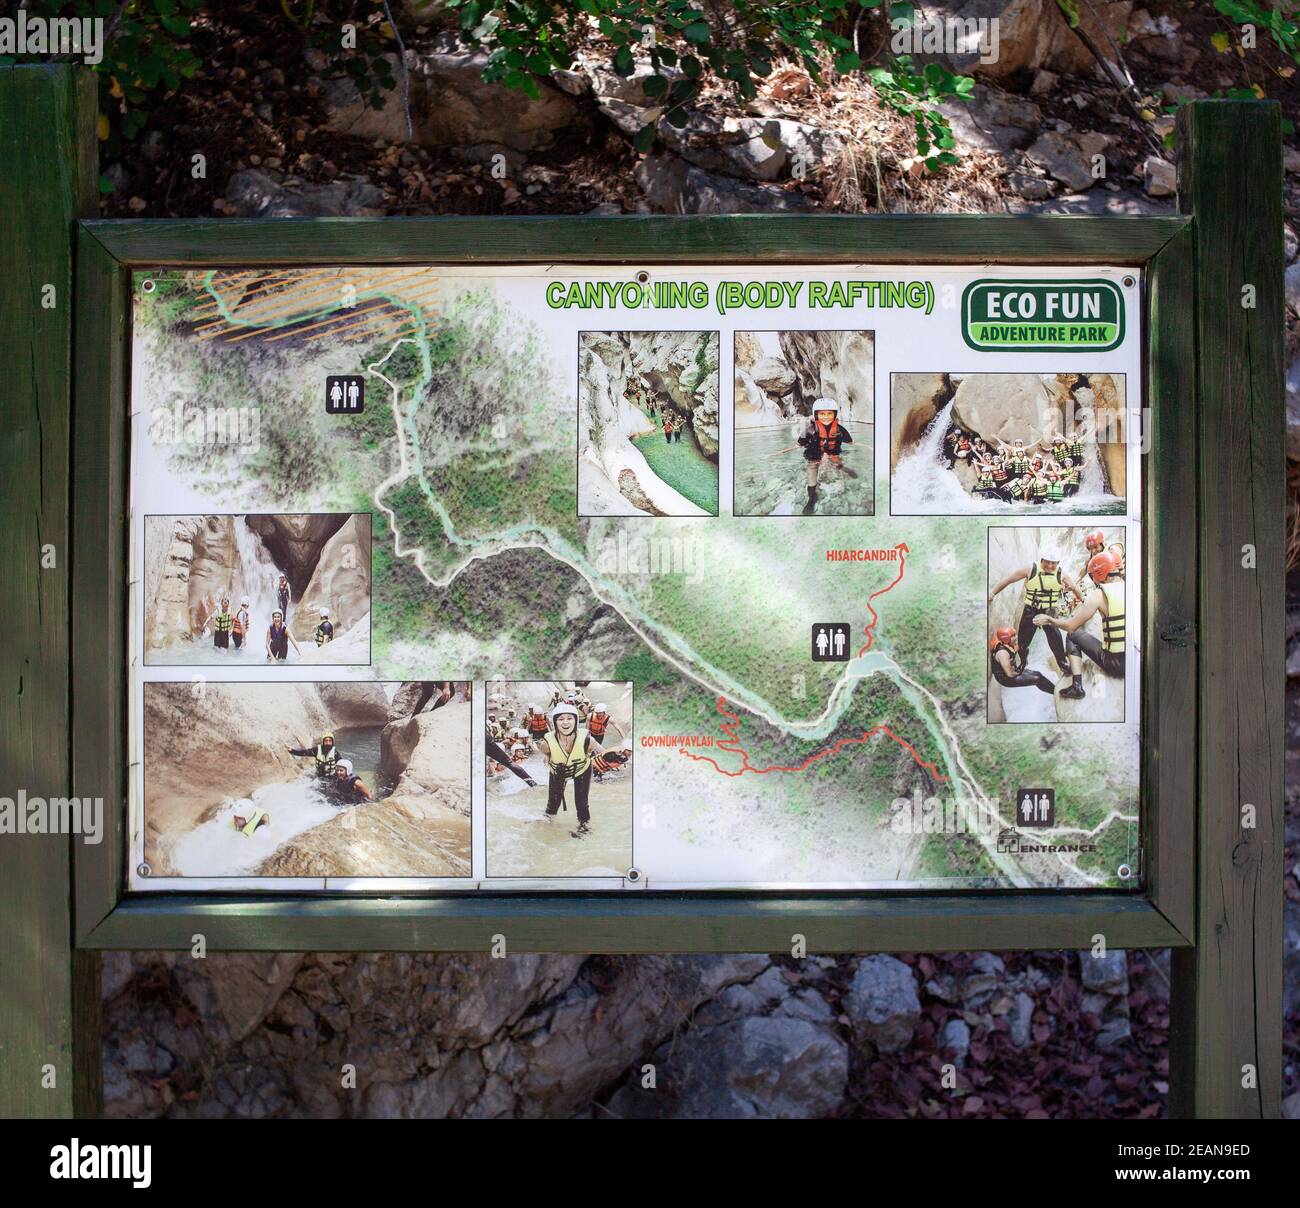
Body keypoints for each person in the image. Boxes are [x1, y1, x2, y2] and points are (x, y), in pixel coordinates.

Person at [1034, 550, 1125, 699]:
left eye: (1092, 575)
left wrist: (1050, 620)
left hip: (1115, 664)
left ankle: (1077, 687)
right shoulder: (1132, 587)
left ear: (1099, 573)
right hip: (1134, 662)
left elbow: (1070, 626)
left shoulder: (1098, 595)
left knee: (1072, 635)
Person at [989, 546, 1081, 674]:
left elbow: (1076, 588)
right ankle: (1023, 660)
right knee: (1022, 642)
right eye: (1047, 562)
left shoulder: (1062, 574)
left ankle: (1062, 663)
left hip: (1050, 611)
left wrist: (1083, 601)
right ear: (1041, 560)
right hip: (1031, 610)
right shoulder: (1031, 569)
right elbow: (1009, 579)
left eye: (1053, 563)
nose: (1049, 565)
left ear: (1058, 563)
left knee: (1055, 639)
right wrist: (992, 593)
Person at [535, 703, 604, 836]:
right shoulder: (546, 744)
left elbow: (594, 752)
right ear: (555, 722)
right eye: (561, 719)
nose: (565, 722)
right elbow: (547, 754)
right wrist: (548, 757)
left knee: (582, 803)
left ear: (576, 721)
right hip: (558, 770)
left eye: (569, 718)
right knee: (553, 803)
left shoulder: (588, 740)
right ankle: (547, 821)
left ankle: (584, 826)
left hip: (581, 769)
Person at [797, 398, 855, 515]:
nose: (826, 416)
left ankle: (843, 468)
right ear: (816, 415)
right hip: (815, 451)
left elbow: (849, 441)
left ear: (835, 415)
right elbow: (800, 442)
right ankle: (812, 496)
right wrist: (800, 445)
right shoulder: (810, 430)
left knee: (835, 460)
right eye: (822, 414)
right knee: (812, 465)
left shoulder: (839, 429)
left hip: (832, 449)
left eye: (829, 413)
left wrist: (856, 444)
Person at [988, 626, 1056, 696]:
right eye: (1013, 636)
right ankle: (1055, 693)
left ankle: (1055, 689)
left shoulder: (1007, 644)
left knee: (1038, 674)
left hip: (1012, 671)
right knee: (1037, 679)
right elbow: (1010, 674)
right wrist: (1020, 671)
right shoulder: (1003, 653)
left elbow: (1018, 649)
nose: (1016, 637)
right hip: (1006, 679)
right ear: (1006, 639)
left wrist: (1023, 661)